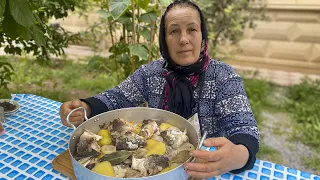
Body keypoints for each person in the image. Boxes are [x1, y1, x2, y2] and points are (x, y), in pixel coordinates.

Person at [59, 0, 259, 178]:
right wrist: (85, 107)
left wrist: (240, 155)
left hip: (207, 169)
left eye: (191, 29)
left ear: (202, 35)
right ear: (164, 39)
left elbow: (244, 127)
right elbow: (117, 97)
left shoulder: (224, 77)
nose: (183, 39)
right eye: (174, 31)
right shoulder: (150, 73)